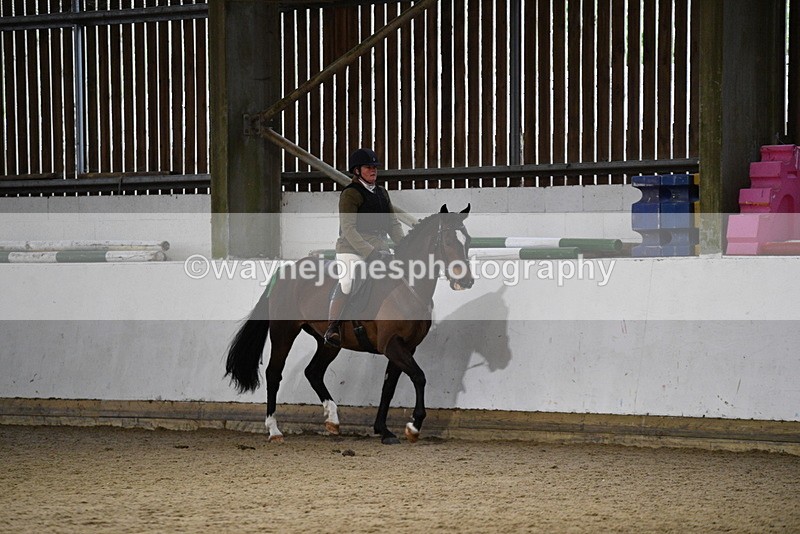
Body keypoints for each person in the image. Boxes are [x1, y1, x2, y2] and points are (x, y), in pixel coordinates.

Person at [323, 148, 405, 347]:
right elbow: (348, 229)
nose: (373, 170)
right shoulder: (351, 194)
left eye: (375, 167)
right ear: (357, 170)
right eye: (369, 167)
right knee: (348, 282)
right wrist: (369, 253)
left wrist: (403, 246)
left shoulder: (381, 193)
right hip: (351, 249)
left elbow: (393, 223)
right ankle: (333, 327)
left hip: (379, 248)